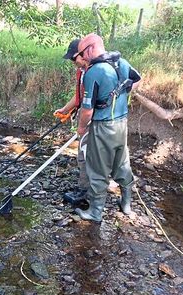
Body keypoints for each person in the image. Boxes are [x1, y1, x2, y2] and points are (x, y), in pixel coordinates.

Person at [74, 33, 141, 222]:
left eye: (82, 54)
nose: (82, 59)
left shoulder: (94, 72)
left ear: (90, 49)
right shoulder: (123, 63)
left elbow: (87, 110)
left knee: (97, 169)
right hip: (121, 124)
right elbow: (137, 80)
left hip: (103, 126)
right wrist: (122, 94)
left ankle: (95, 212)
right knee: (121, 162)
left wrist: (81, 128)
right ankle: (126, 204)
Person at [54, 39, 90, 205]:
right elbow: (79, 96)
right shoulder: (82, 71)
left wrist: (82, 125)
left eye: (73, 58)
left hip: (94, 119)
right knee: (83, 154)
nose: (72, 62)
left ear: (83, 54)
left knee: (85, 154)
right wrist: (65, 110)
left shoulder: (94, 71)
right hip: (86, 115)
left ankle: (85, 193)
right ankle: (84, 188)